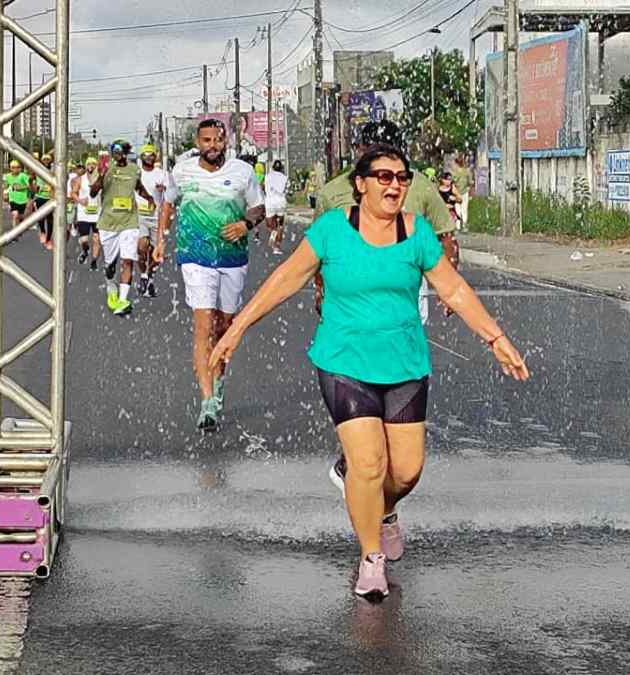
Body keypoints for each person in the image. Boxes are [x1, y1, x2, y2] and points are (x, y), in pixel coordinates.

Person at [208, 144, 529, 598]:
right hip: (344, 362)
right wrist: (237, 327)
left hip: (404, 365)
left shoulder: (416, 234)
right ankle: (370, 558)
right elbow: (287, 279)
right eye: (384, 177)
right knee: (369, 463)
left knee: (406, 472)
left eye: (402, 178)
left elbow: (453, 289)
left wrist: (496, 339)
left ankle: (383, 509)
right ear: (360, 185)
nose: (395, 185)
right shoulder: (332, 231)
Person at [315, 120, 460, 492]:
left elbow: (444, 239)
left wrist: (448, 286)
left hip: (405, 301)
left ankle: (376, 481)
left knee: (394, 379)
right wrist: (321, 289)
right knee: (364, 381)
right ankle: (359, 456)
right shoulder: (336, 192)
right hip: (352, 309)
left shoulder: (420, 188)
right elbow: (319, 251)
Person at [154, 119, 265, 430]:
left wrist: (246, 224)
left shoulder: (242, 172)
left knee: (225, 326)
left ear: (226, 142)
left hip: (232, 258)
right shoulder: (182, 170)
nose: (213, 146)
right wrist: (161, 241)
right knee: (203, 323)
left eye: (218, 140)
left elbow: (259, 208)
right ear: (197, 141)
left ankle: (218, 383)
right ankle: (206, 403)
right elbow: (168, 204)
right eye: (207, 140)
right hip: (195, 257)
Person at [91, 140, 153, 316]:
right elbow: (93, 192)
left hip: (129, 222)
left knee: (128, 260)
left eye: (121, 151)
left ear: (126, 152)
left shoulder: (134, 169)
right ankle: (111, 286)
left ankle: (124, 300)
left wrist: (149, 198)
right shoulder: (106, 168)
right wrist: (102, 176)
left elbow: (138, 187)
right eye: (115, 151)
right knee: (110, 265)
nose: (117, 154)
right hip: (108, 223)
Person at [136, 144, 169, 297]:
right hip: (139, 216)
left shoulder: (162, 174)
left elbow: (171, 196)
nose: (149, 157)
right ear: (141, 157)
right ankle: (143, 275)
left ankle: (149, 278)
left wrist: (164, 189)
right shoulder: (137, 173)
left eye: (151, 154)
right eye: (146, 154)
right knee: (142, 247)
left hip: (157, 217)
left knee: (156, 254)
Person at [73, 157, 102, 270]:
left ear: (96, 166)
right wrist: (80, 200)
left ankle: (94, 261)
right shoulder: (80, 179)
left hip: (97, 213)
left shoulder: (100, 179)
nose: (91, 166)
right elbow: (73, 193)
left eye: (93, 164)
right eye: (89, 164)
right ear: (86, 166)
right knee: (84, 239)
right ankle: (85, 250)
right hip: (83, 213)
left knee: (96, 239)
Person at [264, 160, 289, 255]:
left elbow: (263, 187)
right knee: (281, 225)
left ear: (273, 168)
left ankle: (273, 233)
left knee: (270, 224)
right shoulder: (284, 177)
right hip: (281, 202)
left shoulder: (267, 177)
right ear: (281, 168)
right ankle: (277, 247)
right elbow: (287, 189)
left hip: (270, 202)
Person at [3, 159, 32, 237]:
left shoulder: (23, 176)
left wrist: (21, 187)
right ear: (10, 168)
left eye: (17, 167)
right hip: (12, 199)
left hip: (22, 199)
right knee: (15, 215)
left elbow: (29, 187)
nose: (15, 169)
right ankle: (14, 234)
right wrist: (5, 194)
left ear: (20, 168)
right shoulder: (8, 176)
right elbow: (6, 186)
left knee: (21, 216)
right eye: (13, 167)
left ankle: (20, 228)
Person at [34, 154, 56, 250]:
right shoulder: (38, 170)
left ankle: (48, 239)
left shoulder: (53, 171)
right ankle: (42, 231)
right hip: (40, 197)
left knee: (50, 219)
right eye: (44, 159)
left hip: (50, 198)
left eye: (48, 159)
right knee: (41, 216)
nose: (46, 161)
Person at [451, 153, 473, 229]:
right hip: (465, 193)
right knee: (464, 209)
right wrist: (469, 191)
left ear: (456, 163)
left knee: (457, 209)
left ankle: (458, 226)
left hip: (456, 193)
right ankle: (464, 225)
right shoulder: (467, 172)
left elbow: (452, 183)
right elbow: (470, 183)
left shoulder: (454, 173)